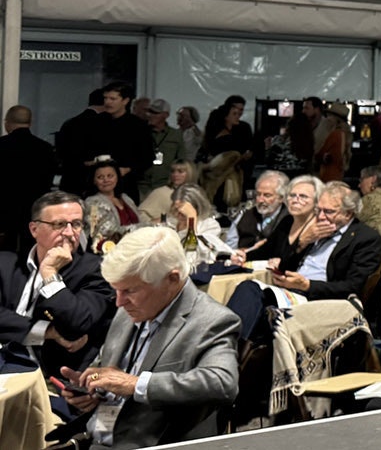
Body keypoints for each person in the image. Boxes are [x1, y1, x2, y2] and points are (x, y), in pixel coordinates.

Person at [60, 227, 240, 448]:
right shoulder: (129, 309)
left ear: (172, 279)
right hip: (95, 436)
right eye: (116, 290)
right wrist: (93, 387)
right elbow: (109, 369)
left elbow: (222, 383)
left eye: (130, 291)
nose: (119, 302)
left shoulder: (213, 320)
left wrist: (136, 384)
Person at [0, 192, 113, 376]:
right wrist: (48, 331)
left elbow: (78, 324)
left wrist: (50, 275)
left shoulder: (95, 270)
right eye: (59, 224)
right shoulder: (5, 262)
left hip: (51, 377)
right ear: (34, 229)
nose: (69, 233)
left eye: (76, 224)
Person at [268, 182, 381, 301]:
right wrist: (302, 242)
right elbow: (283, 267)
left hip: (318, 298)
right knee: (251, 288)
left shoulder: (365, 238)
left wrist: (307, 285)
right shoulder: (315, 227)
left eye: (329, 212)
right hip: (287, 290)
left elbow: (353, 286)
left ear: (348, 214)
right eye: (318, 210)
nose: (321, 217)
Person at [1, 106, 56, 253]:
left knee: (5, 251)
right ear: (30, 123)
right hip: (35, 208)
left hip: (5, 208)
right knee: (30, 249)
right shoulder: (46, 148)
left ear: (7, 123)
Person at [85, 159, 141, 253]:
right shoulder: (92, 202)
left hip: (137, 246)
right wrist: (144, 228)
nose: (106, 180)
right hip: (111, 250)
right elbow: (106, 231)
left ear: (117, 178)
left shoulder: (126, 198)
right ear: (94, 181)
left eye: (110, 176)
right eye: (100, 177)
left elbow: (141, 220)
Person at [232, 170, 289, 254]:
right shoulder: (246, 215)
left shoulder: (289, 218)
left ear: (281, 198)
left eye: (267, 195)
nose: (260, 200)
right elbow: (230, 246)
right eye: (258, 194)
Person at [314, 102, 351, 184]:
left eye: (329, 115)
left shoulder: (335, 134)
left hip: (328, 174)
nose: (327, 118)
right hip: (338, 173)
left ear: (335, 118)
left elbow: (320, 154)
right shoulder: (345, 133)